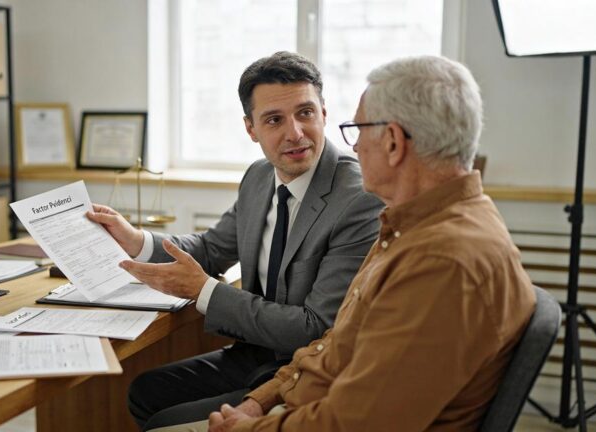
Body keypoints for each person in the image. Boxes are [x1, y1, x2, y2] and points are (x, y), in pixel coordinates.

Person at [153, 55, 537, 432]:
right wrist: (259, 402)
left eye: (358, 129)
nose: (352, 147)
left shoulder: (443, 259)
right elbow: (336, 345)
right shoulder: (415, 226)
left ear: (392, 143)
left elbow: (356, 421)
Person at [86, 51, 383, 430]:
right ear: (251, 129)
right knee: (144, 391)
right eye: (274, 120)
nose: (295, 133)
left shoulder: (357, 199)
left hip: (304, 367)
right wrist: (136, 240)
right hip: (254, 352)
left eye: (305, 113)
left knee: (165, 419)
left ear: (324, 113)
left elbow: (316, 328)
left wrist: (205, 291)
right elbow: (211, 250)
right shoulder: (259, 177)